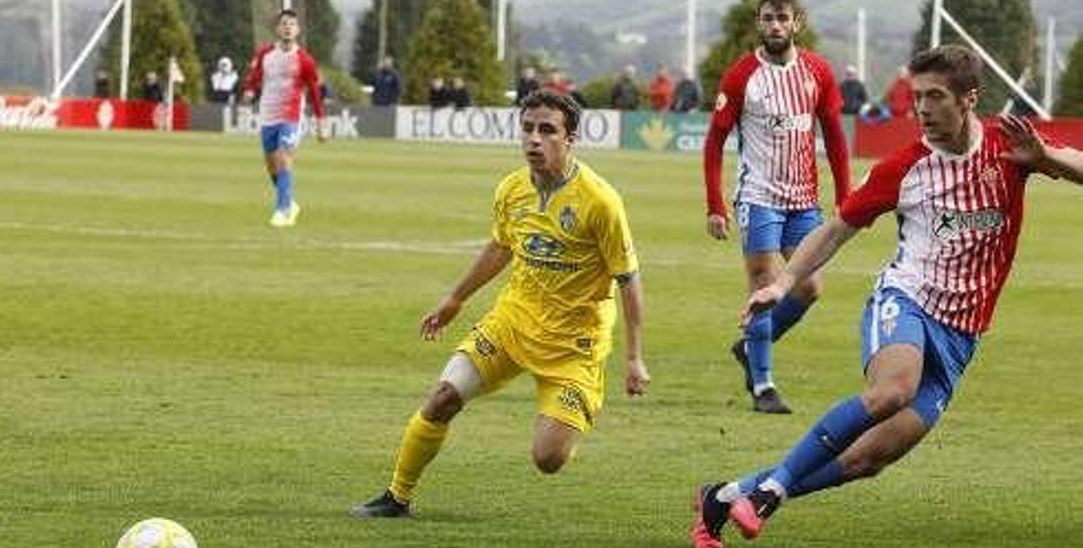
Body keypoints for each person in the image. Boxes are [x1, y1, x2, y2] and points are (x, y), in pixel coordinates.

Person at [690, 44, 1083, 548]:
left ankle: (723, 496)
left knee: (865, 460)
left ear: (969, 98)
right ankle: (772, 491)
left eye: (935, 96)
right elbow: (835, 230)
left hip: (961, 336)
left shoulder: (1008, 148)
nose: (921, 108)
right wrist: (784, 283)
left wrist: (1044, 156)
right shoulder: (904, 167)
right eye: (916, 96)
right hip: (906, 301)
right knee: (891, 391)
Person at [350, 90, 650, 518]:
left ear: (571, 139)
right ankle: (397, 497)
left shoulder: (601, 202)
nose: (534, 139)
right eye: (527, 128)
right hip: (513, 323)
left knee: (548, 459)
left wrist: (635, 358)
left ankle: (568, 412)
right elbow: (500, 248)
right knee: (442, 398)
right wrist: (455, 298)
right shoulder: (511, 189)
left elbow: (629, 279)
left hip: (573, 346)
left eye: (547, 130)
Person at [702, 0, 850, 414]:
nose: (775, 24)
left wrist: (845, 194)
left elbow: (835, 137)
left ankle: (749, 348)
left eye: (783, 17)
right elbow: (715, 141)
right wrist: (715, 204)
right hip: (759, 197)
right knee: (765, 285)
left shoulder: (817, 71)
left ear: (796, 23)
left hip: (804, 200)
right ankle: (763, 385)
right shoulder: (741, 75)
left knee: (809, 287)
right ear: (759, 23)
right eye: (768, 17)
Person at [242, 9, 327, 228]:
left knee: (283, 157)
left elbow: (315, 93)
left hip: (291, 116)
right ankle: (289, 201)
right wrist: (249, 91)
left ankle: (283, 210)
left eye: (292, 24)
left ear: (297, 30)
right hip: (268, 115)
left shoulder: (305, 60)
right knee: (271, 166)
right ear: (277, 29)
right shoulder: (265, 55)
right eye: (284, 24)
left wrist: (321, 123)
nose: (288, 27)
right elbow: (254, 78)